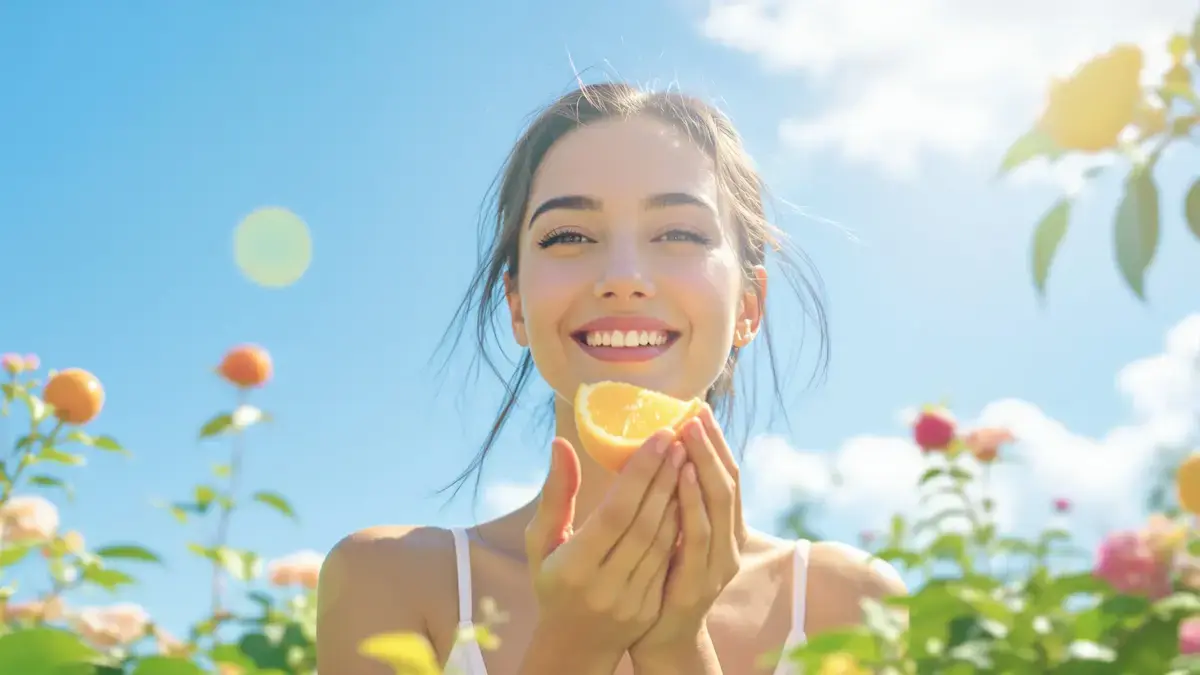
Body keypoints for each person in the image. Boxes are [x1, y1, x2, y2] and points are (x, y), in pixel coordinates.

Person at [316, 82, 906, 675]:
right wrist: (574, 645)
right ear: (517, 306)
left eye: (679, 234)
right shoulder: (389, 581)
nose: (623, 277)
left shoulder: (850, 604)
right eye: (569, 236)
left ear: (749, 307)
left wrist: (677, 647)